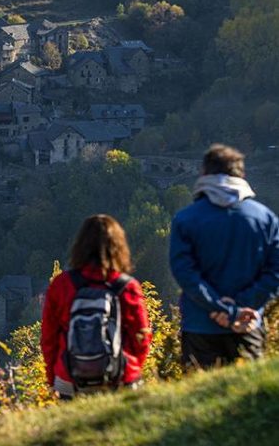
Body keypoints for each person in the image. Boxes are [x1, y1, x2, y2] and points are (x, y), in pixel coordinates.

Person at [169, 144, 279, 370]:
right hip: (247, 323)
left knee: (201, 398)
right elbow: (275, 272)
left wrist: (220, 308)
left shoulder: (186, 219)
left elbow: (184, 273)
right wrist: (242, 307)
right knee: (247, 398)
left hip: (200, 325)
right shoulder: (265, 219)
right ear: (242, 175)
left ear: (203, 174)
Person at [41, 214, 152, 399]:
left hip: (70, 378)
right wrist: (130, 369)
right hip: (120, 377)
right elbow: (141, 336)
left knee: (76, 428)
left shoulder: (61, 285)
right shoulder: (127, 287)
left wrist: (55, 378)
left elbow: (48, 339)